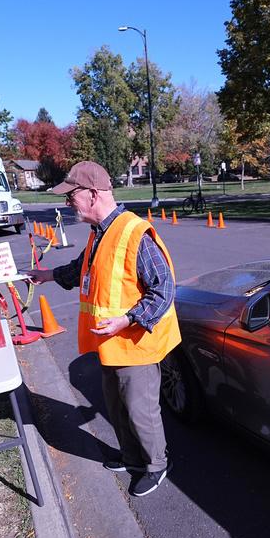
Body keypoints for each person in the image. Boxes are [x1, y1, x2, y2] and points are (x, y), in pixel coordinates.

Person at [26, 161, 180, 497]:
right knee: (116, 404)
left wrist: (128, 319)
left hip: (134, 344)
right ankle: (130, 457)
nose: (68, 203)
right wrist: (48, 275)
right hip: (111, 345)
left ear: (93, 194)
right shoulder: (101, 233)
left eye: (72, 196)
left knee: (140, 410)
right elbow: (83, 269)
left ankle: (156, 464)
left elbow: (164, 288)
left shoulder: (132, 232)